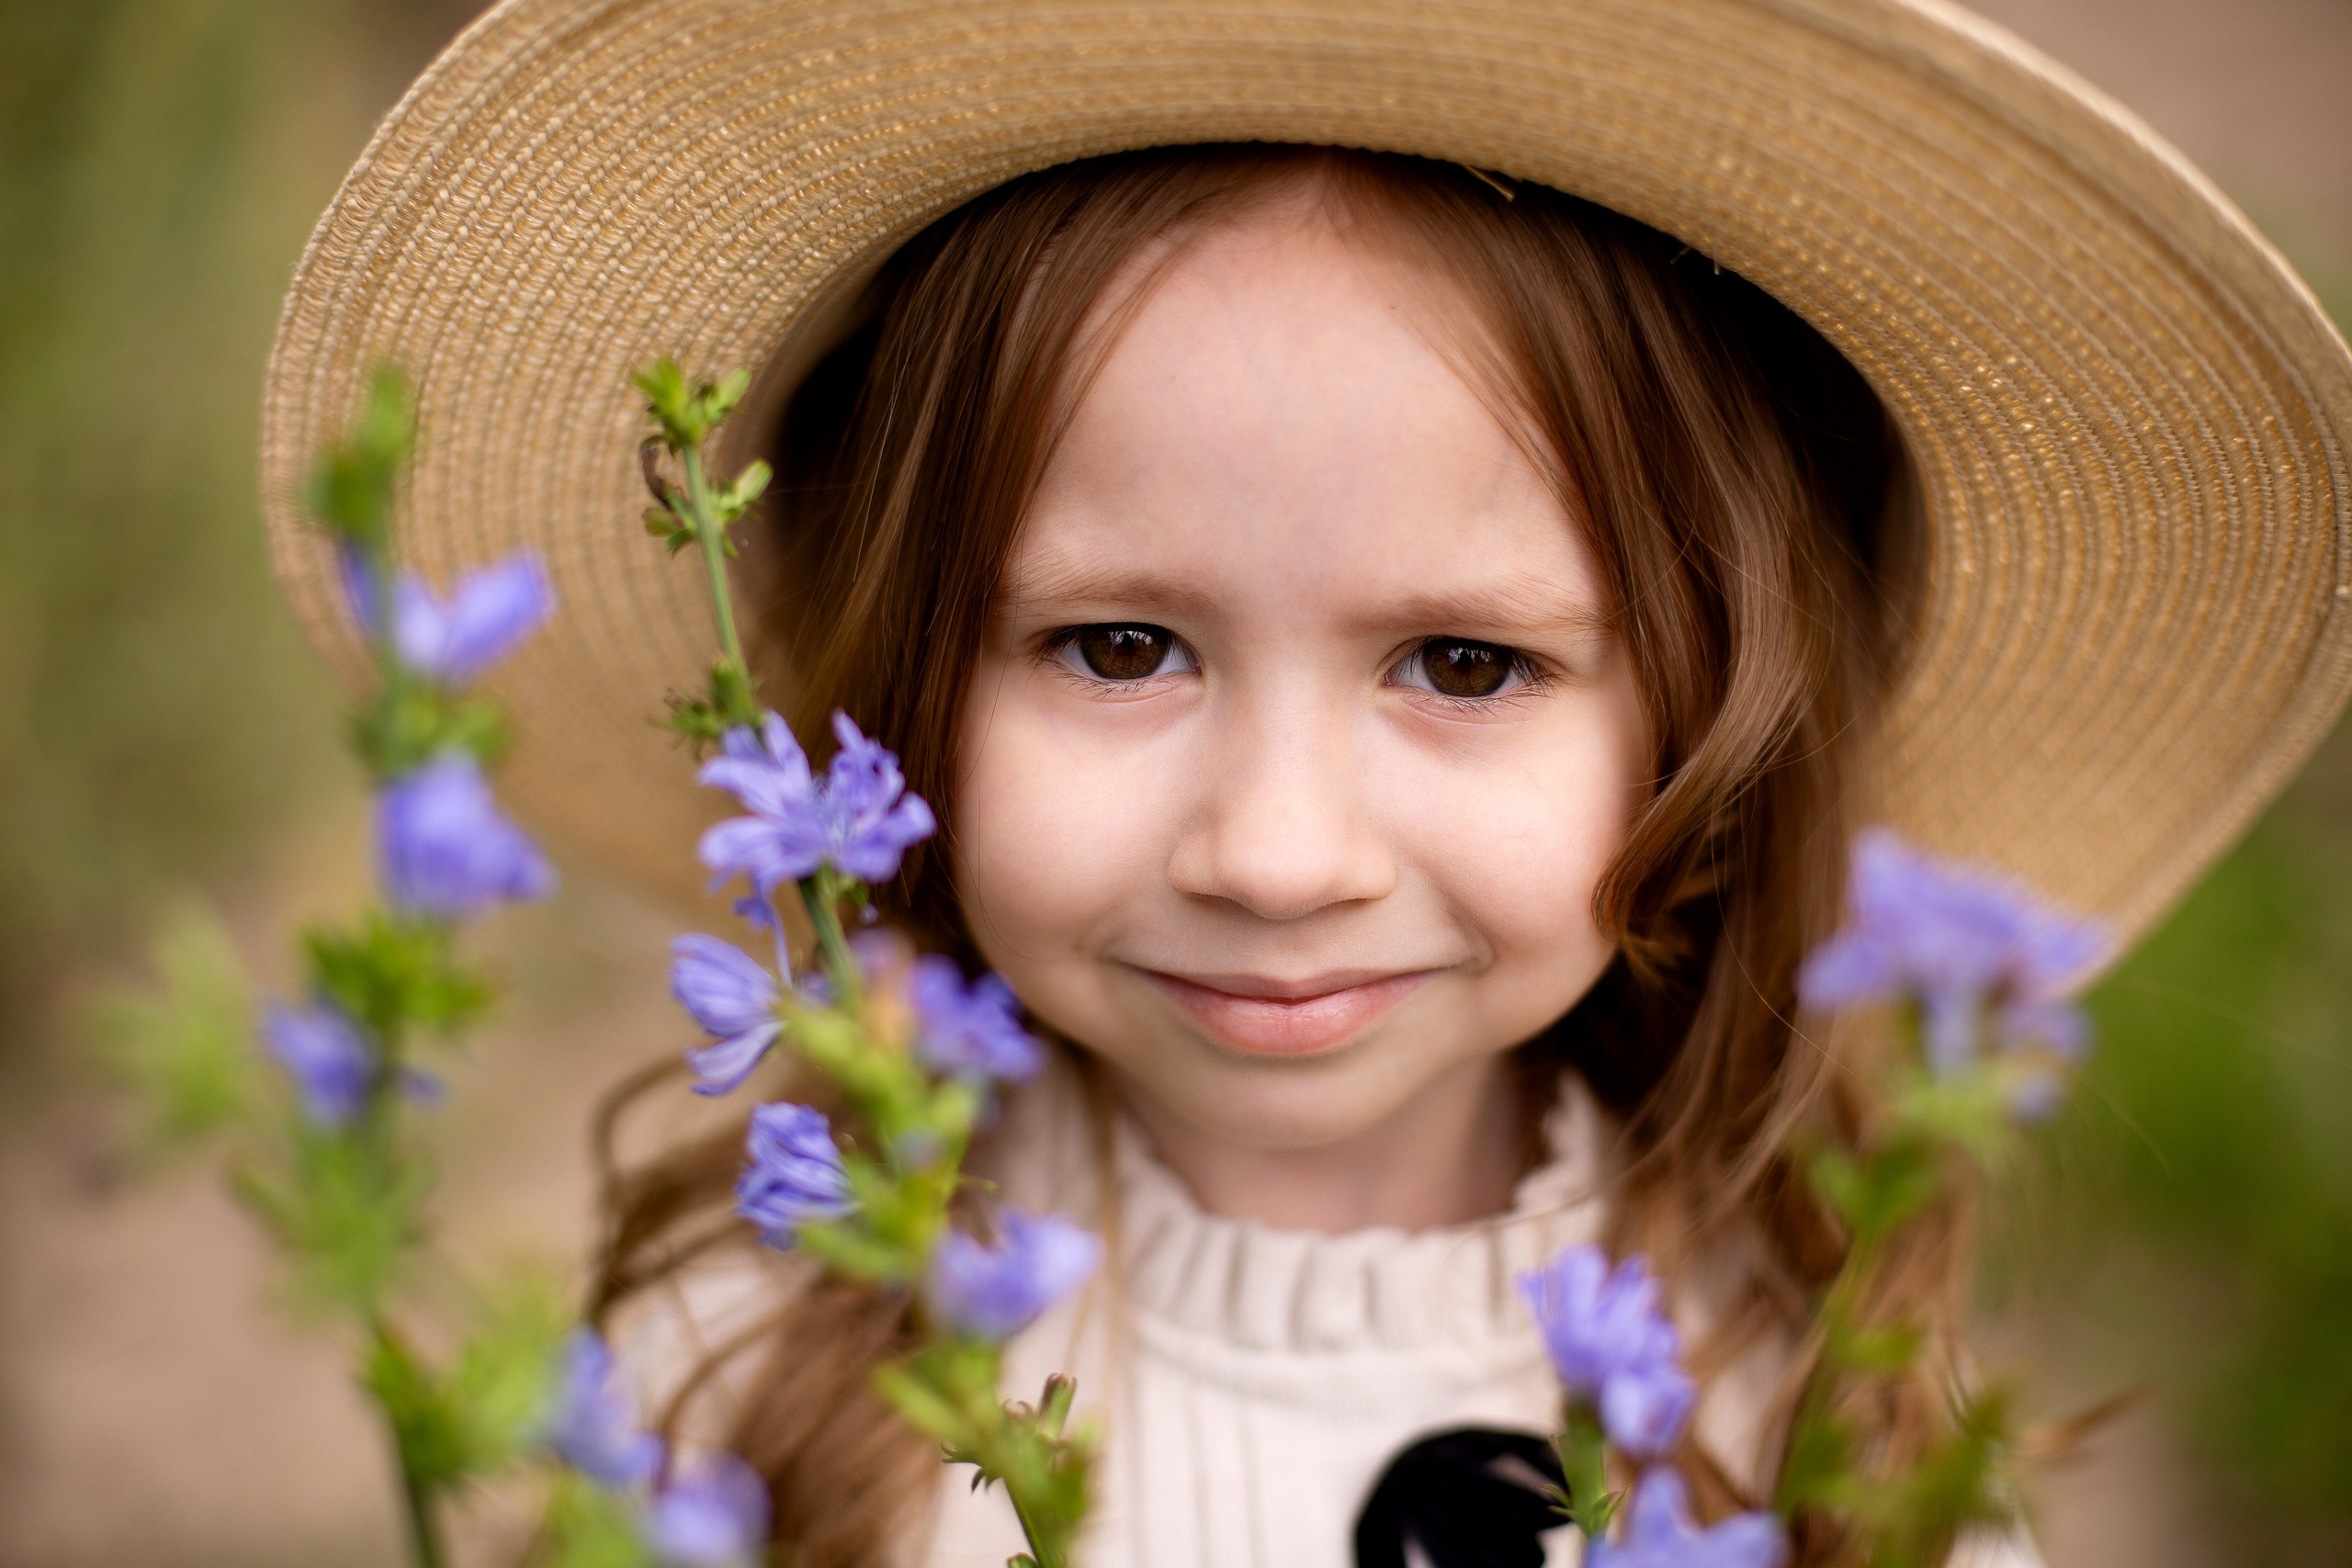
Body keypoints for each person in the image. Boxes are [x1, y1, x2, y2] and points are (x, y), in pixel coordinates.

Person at [255, 4, 2352, 1566]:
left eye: (1465, 663)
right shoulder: (744, 1375)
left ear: (1711, 728)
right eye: (1118, 646)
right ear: (901, 702)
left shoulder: (1807, 1421)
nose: (1274, 854)